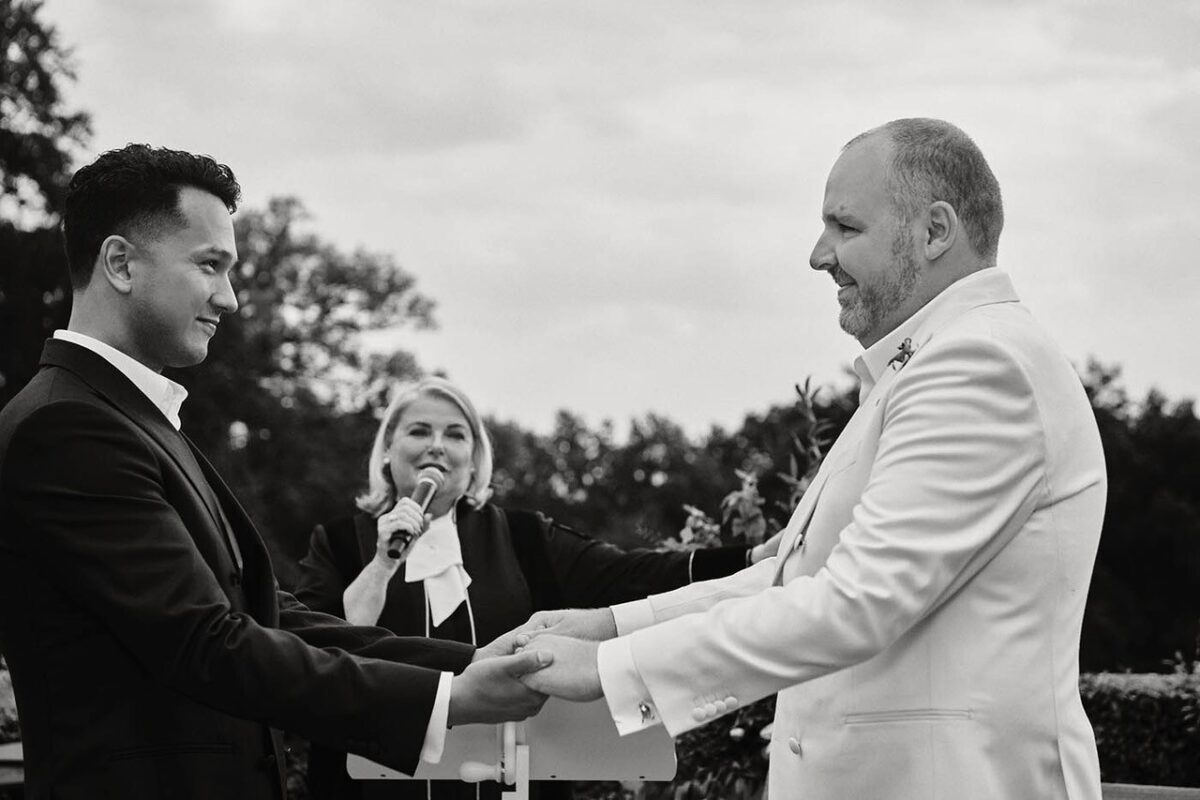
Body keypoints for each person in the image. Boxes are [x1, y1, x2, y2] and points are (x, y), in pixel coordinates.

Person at [517, 118, 1107, 800]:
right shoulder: (928, 365)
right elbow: (795, 579)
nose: (818, 255)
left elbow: (856, 600)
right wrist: (610, 626)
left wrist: (610, 669)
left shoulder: (978, 365)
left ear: (935, 231)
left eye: (845, 227)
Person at [0, 144, 552, 800]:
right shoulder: (67, 428)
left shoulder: (128, 418)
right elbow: (206, 642)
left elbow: (263, 614)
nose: (230, 299)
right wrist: (448, 700)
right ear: (120, 263)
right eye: (210, 265)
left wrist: (468, 661)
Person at [294, 375, 777, 799]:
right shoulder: (339, 542)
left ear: (475, 459)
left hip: (513, 782)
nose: (436, 445)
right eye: (419, 431)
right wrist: (383, 562)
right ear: (387, 450)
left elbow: (629, 573)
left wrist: (750, 560)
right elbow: (316, 649)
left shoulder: (523, 538)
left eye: (455, 434)